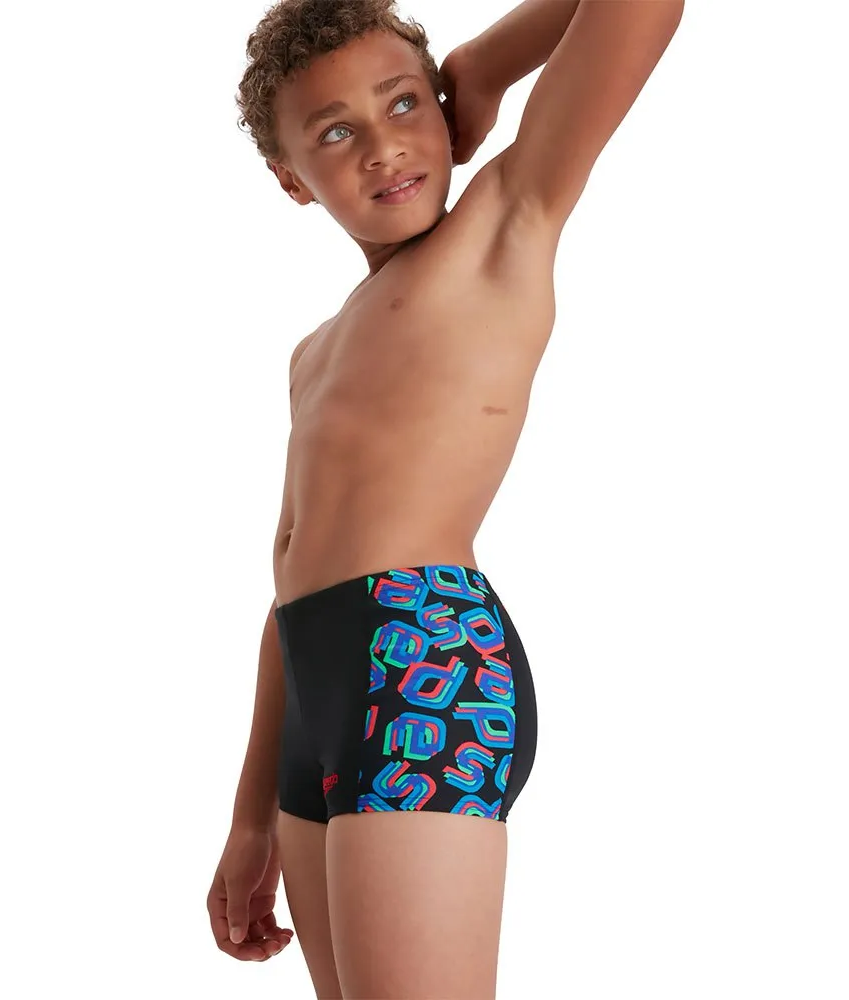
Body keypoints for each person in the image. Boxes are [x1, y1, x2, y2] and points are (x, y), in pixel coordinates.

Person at [207, 0, 684, 995]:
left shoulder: (505, 225)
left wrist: (484, 65)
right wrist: (249, 817)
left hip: (422, 659)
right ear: (291, 179)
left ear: (442, 110)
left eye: (402, 105)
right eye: (336, 132)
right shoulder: (313, 354)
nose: (383, 148)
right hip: (317, 687)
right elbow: (289, 581)